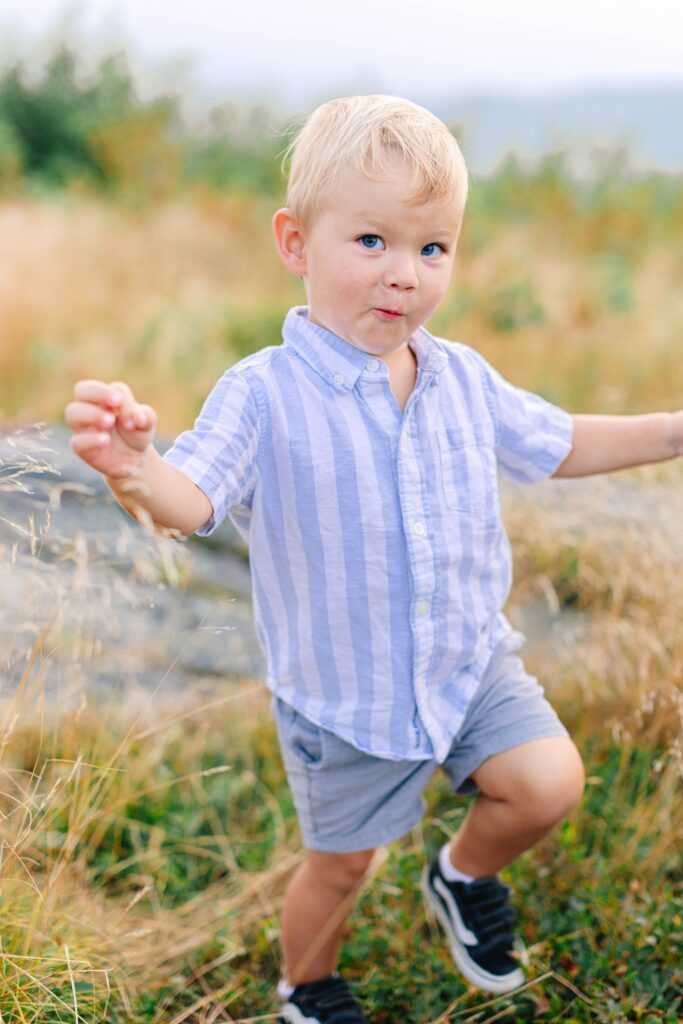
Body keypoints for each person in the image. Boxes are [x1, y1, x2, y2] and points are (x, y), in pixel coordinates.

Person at [65, 95, 683, 1024]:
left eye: (431, 250)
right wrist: (134, 467)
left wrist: (673, 430)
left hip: (468, 662)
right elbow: (187, 503)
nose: (403, 276)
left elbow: (558, 441)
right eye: (370, 242)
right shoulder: (262, 393)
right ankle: (304, 990)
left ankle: (460, 873)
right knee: (342, 866)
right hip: (344, 698)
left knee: (547, 783)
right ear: (294, 241)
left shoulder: (459, 376)